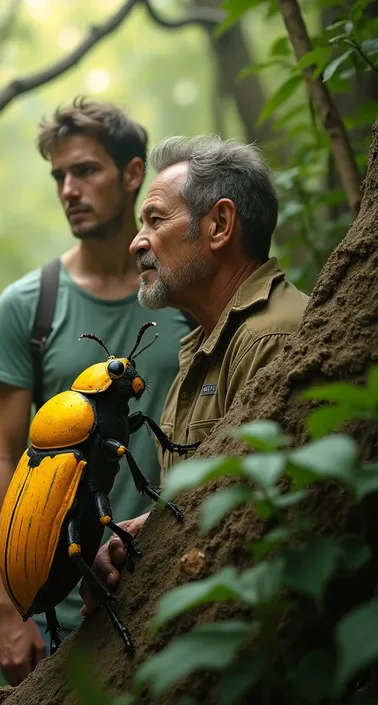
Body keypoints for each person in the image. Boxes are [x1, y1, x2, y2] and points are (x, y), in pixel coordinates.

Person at [0, 99, 193, 686]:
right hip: (61, 608)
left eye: (86, 171)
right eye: (59, 177)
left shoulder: (182, 292)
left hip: (175, 579)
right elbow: (3, 454)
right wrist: (8, 609)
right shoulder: (29, 304)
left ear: (131, 174)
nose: (68, 188)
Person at [80, 134, 309, 615]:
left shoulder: (271, 340)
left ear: (220, 225)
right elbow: (207, 500)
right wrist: (143, 530)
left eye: (156, 220)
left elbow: (262, 521)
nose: (136, 241)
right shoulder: (204, 347)